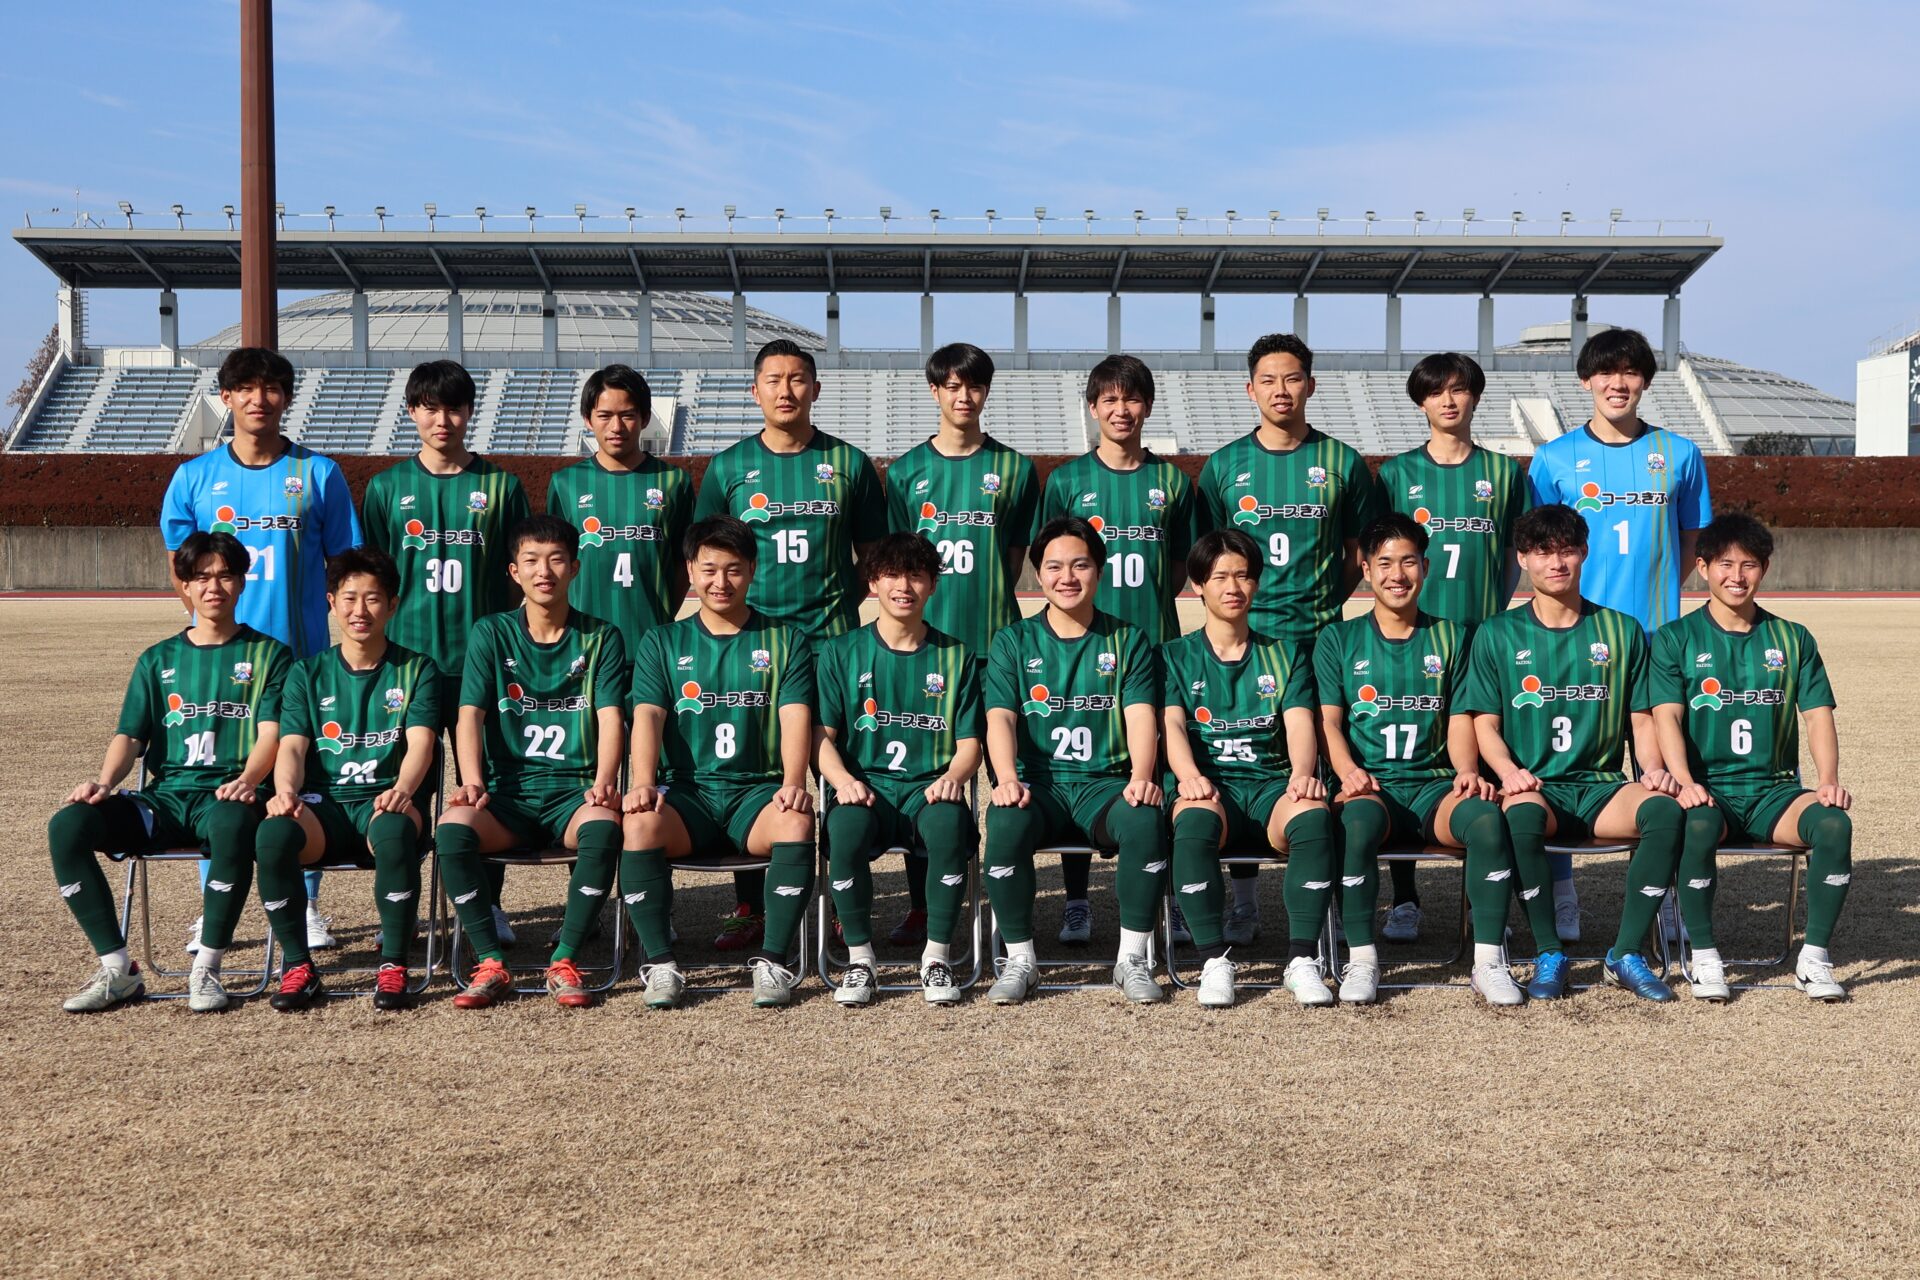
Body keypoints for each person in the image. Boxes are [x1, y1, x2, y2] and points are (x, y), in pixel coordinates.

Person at [160, 347, 361, 954]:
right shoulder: (194, 477)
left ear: (287, 397)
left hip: (298, 659)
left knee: (297, 781)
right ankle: (213, 906)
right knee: (220, 777)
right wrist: (204, 628)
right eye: (245, 388)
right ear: (225, 397)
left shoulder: (318, 473)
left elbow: (344, 567)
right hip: (220, 660)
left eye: (271, 388)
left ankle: (305, 905)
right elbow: (180, 567)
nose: (258, 399)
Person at [692, 339, 885, 950]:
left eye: (797, 379)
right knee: (757, 769)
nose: (786, 390)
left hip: (830, 643)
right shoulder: (728, 467)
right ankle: (752, 905)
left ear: (815, 389)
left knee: (836, 771)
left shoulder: (848, 463)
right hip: (749, 645)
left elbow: (872, 557)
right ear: (755, 391)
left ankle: (837, 902)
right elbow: (708, 554)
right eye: (773, 380)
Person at [50, 531, 290, 1013]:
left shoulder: (270, 655)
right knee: (68, 825)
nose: (213, 586)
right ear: (184, 585)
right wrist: (105, 783)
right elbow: (130, 737)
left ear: (243, 582)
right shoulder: (157, 659)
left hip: (227, 798)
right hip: (164, 801)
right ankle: (118, 969)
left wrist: (247, 781)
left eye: (225, 575)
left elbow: (272, 734)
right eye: (201, 577)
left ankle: (208, 967)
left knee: (233, 824)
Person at [1194, 334, 1382, 945]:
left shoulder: (1342, 462)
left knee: (1327, 765)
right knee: (1245, 759)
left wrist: (1325, 601)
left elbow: (1359, 553)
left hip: (1320, 640)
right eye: (1269, 380)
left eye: (1293, 378)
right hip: (1246, 641)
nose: (1282, 390)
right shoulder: (1224, 466)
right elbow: (1211, 557)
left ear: (1311, 385)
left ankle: (1340, 903)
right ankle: (1245, 901)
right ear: (1250, 389)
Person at [1457, 503, 1688, 1002]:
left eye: (1566, 550)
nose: (1556, 563)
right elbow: (1484, 723)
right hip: (1536, 787)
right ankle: (1549, 952)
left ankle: (1625, 954)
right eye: (1543, 552)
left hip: (1601, 788)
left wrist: (1651, 769)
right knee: (1519, 816)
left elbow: (1641, 718)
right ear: (1523, 559)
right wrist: (1508, 771)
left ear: (1584, 552)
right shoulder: (1497, 633)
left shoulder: (1621, 630)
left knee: (1665, 812)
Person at [1526, 327, 1712, 932]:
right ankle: (1561, 892)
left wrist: (1654, 596)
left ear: (1646, 381)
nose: (1618, 383)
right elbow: (1540, 546)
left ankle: (1665, 896)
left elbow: (1690, 544)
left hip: (1655, 637)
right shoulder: (1553, 459)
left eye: (1630, 372)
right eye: (1606, 372)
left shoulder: (1679, 454)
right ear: (1586, 380)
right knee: (1560, 764)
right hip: (1572, 639)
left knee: (1663, 771)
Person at [1315, 514, 1524, 1006]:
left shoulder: (1453, 637)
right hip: (1373, 787)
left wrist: (1467, 771)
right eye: (1385, 563)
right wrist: (1347, 772)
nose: (1397, 574)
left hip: (1435, 787)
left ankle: (1488, 962)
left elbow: (1459, 718)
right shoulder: (1338, 639)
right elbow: (1328, 723)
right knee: (1356, 824)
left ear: (1426, 567)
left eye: (1408, 562)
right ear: (1366, 569)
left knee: (1487, 821)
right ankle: (1362, 959)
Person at [361, 360, 530, 944]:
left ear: (470, 412)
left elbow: (518, 576)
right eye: (430, 408)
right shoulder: (386, 489)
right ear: (412, 411)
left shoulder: (503, 487)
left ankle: (487, 905)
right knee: (405, 785)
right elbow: (374, 577)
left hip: (481, 663)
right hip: (407, 667)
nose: (442, 420)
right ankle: (402, 910)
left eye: (454, 408)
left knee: (487, 783)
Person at [1651, 513, 1852, 1001]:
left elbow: (1818, 716)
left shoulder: (1792, 638)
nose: (1736, 576)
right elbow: (1666, 718)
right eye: (1725, 564)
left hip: (1775, 793)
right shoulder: (1675, 638)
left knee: (1833, 825)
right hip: (1709, 791)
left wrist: (1828, 779)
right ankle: (1704, 957)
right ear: (1703, 568)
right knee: (1697, 825)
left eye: (1749, 565)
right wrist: (1685, 781)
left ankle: (1814, 959)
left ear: (1765, 568)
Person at [620, 516, 818, 1009]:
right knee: (639, 824)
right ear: (690, 570)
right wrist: (642, 782)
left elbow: (795, 716)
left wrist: (794, 781)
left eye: (733, 569)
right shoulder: (662, 641)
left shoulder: (786, 640)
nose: (720, 582)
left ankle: (773, 962)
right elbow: (647, 715)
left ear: (752, 569)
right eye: (709, 569)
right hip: (688, 796)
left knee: (796, 819)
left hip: (756, 794)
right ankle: (660, 965)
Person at [433, 515, 629, 1010]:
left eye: (556, 560)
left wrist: (605, 781)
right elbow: (469, 714)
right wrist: (472, 781)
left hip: (572, 794)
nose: (545, 571)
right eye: (532, 561)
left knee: (604, 827)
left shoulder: (601, 637)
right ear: (514, 571)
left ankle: (564, 960)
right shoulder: (491, 632)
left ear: (575, 568)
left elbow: (611, 718)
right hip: (507, 797)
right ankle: (489, 962)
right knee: (452, 830)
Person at [882, 342, 1037, 946]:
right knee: (927, 775)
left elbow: (1015, 556)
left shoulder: (1015, 469)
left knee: (1004, 776)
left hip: (993, 645)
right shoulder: (905, 472)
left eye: (973, 385)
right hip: (924, 648)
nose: (963, 396)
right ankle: (926, 906)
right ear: (935, 391)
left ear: (986, 392)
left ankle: (1007, 908)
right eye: (951, 385)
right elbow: (898, 563)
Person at [1372, 352, 1530, 941]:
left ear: (1475, 397)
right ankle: (1404, 898)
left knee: (1483, 770)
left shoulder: (1505, 473)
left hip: (1483, 639)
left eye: (1459, 389)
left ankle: (1483, 904)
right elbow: (1384, 555)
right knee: (1409, 760)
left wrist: (1492, 614)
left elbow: (1515, 555)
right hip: (1414, 638)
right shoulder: (1396, 474)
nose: (1448, 400)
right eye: (1436, 391)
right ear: (1421, 402)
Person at [1037, 355, 1195, 944]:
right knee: (1080, 765)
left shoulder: (1173, 483)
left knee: (1164, 774)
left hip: (1155, 645)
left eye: (1131, 399)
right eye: (1109, 399)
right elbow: (1049, 560)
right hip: (1083, 648)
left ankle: (1172, 897)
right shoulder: (1066, 481)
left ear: (1147, 406)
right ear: (1092, 407)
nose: (1120, 409)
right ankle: (1077, 901)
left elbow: (1180, 566)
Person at [980, 515, 1167, 1007]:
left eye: (1080, 565)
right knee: (1004, 820)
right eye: (1055, 566)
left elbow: (1140, 715)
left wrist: (1141, 776)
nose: (1067, 577)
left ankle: (1132, 960)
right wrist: (1006, 778)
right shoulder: (1012, 641)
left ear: (1099, 572)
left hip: (1104, 785)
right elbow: (1000, 719)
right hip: (1040, 786)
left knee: (1145, 818)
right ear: (1038, 573)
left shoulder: (1127, 640)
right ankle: (1020, 961)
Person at [255, 547, 440, 1011]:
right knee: (273, 835)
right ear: (331, 603)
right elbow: (292, 747)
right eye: (350, 598)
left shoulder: (418, 669)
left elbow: (421, 744)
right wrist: (285, 794)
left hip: (385, 803)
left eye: (373, 599)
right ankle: (298, 967)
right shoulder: (306, 672)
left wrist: (402, 791)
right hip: (323, 809)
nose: (360, 610)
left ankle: (394, 965)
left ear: (393, 605)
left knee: (395, 831)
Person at [1162, 529, 1334, 1009]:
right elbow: (1171, 724)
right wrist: (1188, 775)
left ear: (1256, 583)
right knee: (1194, 821)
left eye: (1243, 575)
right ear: (1198, 585)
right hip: (1211, 787)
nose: (1233, 587)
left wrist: (1302, 773)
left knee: (1313, 815)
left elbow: (1299, 724)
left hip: (1269, 786)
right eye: (1220, 577)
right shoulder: (1174, 655)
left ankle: (1302, 960)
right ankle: (1214, 962)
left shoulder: (1285, 654)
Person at [815, 533, 984, 1005]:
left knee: (949, 826)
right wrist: (843, 781)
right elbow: (821, 738)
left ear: (933, 584)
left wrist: (953, 778)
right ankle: (860, 961)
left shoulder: (956, 656)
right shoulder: (840, 652)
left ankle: (937, 958)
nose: (903, 586)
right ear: (872, 582)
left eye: (915, 575)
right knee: (844, 830)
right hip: (866, 788)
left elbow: (970, 743)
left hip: (927, 790)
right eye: (891, 574)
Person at [547, 363, 695, 650]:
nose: (616, 427)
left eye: (627, 415)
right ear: (588, 419)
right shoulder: (565, 483)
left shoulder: (674, 482)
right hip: (583, 646)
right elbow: (555, 561)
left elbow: (684, 564)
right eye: (605, 416)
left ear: (645, 417)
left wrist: (661, 617)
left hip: (651, 645)